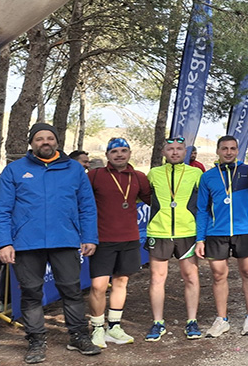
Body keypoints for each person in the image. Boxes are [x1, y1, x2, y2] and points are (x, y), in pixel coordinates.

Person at [0, 123, 100, 363]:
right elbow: (0, 210)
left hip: (65, 240)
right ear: (32, 143)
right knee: (31, 293)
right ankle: (36, 340)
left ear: (57, 141)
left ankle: (79, 336)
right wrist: (4, 243)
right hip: (26, 243)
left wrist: (89, 237)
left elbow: (87, 207)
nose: (45, 142)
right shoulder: (15, 170)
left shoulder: (74, 169)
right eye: (39, 138)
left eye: (50, 138)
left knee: (72, 290)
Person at [195, 135, 248, 338]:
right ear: (217, 151)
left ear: (238, 151)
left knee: (247, 272)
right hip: (215, 233)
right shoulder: (208, 177)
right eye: (224, 148)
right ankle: (222, 319)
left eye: (232, 148)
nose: (228, 152)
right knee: (218, 276)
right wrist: (200, 239)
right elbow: (202, 210)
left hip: (244, 231)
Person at [86, 138, 152, 348]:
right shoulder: (95, 175)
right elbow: (82, 203)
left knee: (121, 282)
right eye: (114, 151)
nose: (119, 155)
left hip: (129, 238)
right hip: (102, 239)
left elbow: (153, 200)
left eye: (124, 151)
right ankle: (98, 328)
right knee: (98, 286)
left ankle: (114, 327)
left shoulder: (139, 177)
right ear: (107, 155)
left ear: (130, 153)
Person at [145, 137, 203, 341]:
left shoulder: (196, 173)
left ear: (185, 152)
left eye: (179, 149)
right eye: (170, 149)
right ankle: (157, 322)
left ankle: (192, 321)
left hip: (187, 232)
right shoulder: (154, 174)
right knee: (157, 278)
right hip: (159, 232)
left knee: (191, 277)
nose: (175, 152)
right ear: (163, 152)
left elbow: (204, 202)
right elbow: (144, 196)